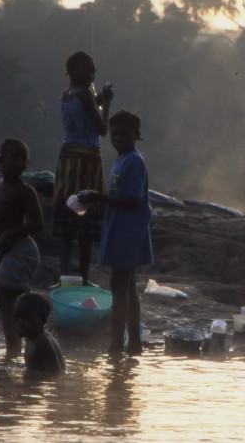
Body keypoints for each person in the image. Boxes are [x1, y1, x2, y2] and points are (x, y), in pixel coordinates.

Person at [78, 110, 152, 358]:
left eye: (124, 133)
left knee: (119, 286)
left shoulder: (133, 161)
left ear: (136, 135)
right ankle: (132, 344)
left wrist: (98, 197)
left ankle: (116, 344)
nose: (118, 138)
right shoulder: (121, 160)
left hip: (128, 233)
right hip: (121, 230)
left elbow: (131, 201)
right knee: (127, 286)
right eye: (115, 133)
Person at [0, 138, 44, 359]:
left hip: (22, 249)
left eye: (22, 160)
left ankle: (14, 353)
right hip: (8, 250)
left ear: (27, 163)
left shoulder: (25, 191)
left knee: (10, 303)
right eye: (13, 158)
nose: (17, 163)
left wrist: (9, 234)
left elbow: (37, 223)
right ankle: (13, 352)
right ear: (0, 160)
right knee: (7, 303)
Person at [53, 51, 114, 287]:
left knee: (68, 219)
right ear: (73, 69)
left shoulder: (65, 95)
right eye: (87, 70)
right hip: (87, 160)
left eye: (94, 72)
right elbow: (101, 128)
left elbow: (85, 109)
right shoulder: (86, 93)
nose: (91, 75)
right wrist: (106, 104)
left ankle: (64, 275)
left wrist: (98, 100)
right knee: (85, 222)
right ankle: (85, 278)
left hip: (67, 158)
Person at [14, 292, 65, 375]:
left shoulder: (42, 343)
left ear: (42, 321)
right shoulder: (31, 339)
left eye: (27, 319)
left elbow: (56, 376)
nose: (20, 323)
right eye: (17, 318)